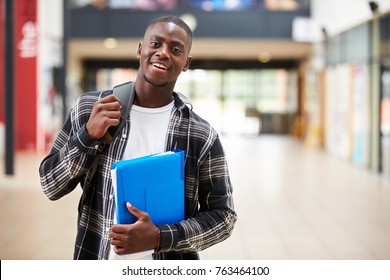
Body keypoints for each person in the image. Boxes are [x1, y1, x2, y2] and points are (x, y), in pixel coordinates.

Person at [39, 15, 237, 260]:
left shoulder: (201, 135)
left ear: (186, 62)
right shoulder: (91, 108)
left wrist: (160, 237)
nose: (163, 53)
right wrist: (88, 136)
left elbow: (223, 217)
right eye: (155, 44)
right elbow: (50, 185)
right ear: (140, 49)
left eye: (175, 49)